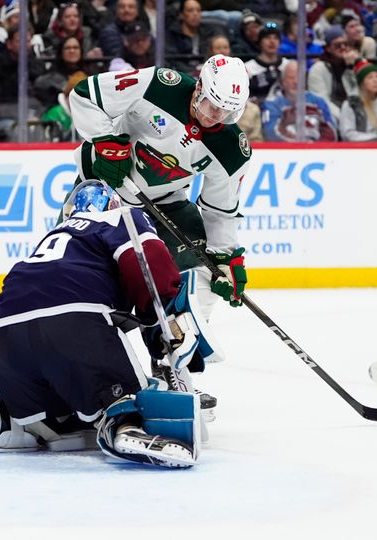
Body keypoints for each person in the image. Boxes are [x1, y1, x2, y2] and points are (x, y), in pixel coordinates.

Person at [0, 180, 204, 468]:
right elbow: (147, 259)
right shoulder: (122, 217)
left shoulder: (56, 234)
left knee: (53, 425)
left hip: (4, 333)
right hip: (74, 319)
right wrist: (159, 314)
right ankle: (125, 427)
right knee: (120, 397)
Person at [69, 54, 251, 390]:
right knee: (76, 281)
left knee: (205, 268)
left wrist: (226, 258)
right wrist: (106, 144)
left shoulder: (231, 150)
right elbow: (84, 95)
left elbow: (219, 213)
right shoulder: (158, 84)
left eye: (225, 112)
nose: (214, 117)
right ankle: (79, 373)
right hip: (104, 190)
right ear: (199, 86)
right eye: (211, 104)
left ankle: (172, 364)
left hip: (164, 205)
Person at [262, 60, 336, 142]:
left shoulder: (318, 102)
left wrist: (315, 147)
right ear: (282, 81)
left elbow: (332, 132)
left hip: (316, 151)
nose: (296, 82)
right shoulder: (272, 104)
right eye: (291, 78)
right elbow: (270, 134)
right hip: (285, 152)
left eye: (299, 77)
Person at [339, 58, 377, 141]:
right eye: (370, 77)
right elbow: (347, 134)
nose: (375, 80)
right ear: (361, 82)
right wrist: (376, 139)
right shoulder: (350, 105)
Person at [307, 24, 358, 122]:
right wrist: (345, 119)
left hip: (355, 117)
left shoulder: (354, 65)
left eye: (345, 44)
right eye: (338, 45)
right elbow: (321, 102)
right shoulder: (318, 69)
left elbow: (359, 94)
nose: (343, 48)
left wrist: (351, 68)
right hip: (328, 118)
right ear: (328, 48)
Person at [245, 21, 285, 102]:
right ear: (260, 42)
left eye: (275, 38)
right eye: (267, 37)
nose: (272, 41)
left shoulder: (288, 66)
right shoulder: (247, 68)